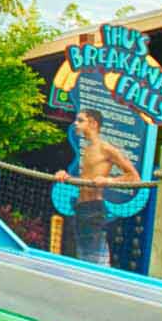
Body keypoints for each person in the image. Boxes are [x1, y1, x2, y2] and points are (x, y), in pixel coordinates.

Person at [54, 108, 139, 266]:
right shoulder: (86, 149)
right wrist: (65, 177)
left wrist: (109, 181)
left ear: (93, 123)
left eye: (80, 120)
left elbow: (134, 176)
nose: (75, 124)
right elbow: (86, 180)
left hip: (93, 210)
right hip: (80, 209)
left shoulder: (106, 148)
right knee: (80, 258)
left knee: (94, 262)